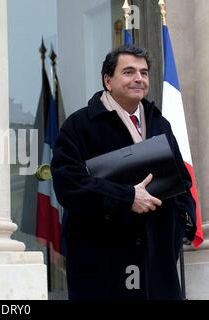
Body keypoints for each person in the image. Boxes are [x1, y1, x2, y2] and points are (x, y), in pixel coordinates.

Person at [51, 45, 197, 300]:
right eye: (128, 72)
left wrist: (181, 223)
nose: (138, 78)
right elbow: (68, 184)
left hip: (157, 266)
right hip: (103, 265)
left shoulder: (160, 123)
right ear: (108, 80)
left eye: (143, 72)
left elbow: (181, 181)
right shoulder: (79, 125)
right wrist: (126, 197)